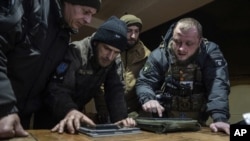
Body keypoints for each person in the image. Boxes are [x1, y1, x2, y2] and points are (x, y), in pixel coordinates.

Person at [0, 0, 101, 139]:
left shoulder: (65, 36)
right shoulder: (30, 6)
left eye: (92, 14)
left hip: (17, 119)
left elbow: (54, 84)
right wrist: (4, 107)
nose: (88, 20)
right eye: (86, 12)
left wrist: (69, 110)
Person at [136, 17, 230, 135]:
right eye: (177, 41)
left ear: (200, 41)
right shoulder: (159, 55)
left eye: (189, 43)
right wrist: (148, 99)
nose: (181, 48)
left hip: (197, 123)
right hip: (163, 124)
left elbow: (218, 84)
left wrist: (220, 119)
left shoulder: (210, 54)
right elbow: (145, 82)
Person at [46, 16, 136, 134]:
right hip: (51, 109)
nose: (110, 56)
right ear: (96, 42)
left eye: (116, 52)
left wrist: (121, 121)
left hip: (76, 113)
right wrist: (69, 110)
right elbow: (58, 88)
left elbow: (116, 92)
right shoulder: (76, 51)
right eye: (106, 48)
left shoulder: (114, 59)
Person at [94, 14, 151, 123]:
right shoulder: (109, 51)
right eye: (129, 31)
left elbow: (147, 83)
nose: (133, 36)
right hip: (106, 109)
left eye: (136, 31)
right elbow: (100, 83)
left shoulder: (147, 55)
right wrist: (102, 108)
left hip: (134, 114)